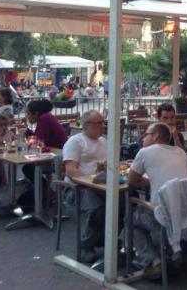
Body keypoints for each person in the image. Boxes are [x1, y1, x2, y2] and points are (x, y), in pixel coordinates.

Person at [128, 122, 187, 277]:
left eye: (146, 135)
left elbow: (131, 181)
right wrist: (153, 181)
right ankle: (170, 253)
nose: (142, 139)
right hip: (183, 213)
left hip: (159, 214)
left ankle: (153, 261)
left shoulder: (145, 152)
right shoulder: (181, 152)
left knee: (129, 222)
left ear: (155, 136)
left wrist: (149, 181)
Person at [62, 110, 108, 262]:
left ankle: (112, 242)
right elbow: (70, 170)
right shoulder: (75, 142)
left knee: (124, 204)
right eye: (99, 123)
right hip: (77, 188)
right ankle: (86, 246)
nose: (103, 125)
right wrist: (90, 183)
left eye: (103, 122)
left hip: (102, 186)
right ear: (87, 125)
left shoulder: (104, 141)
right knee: (98, 209)